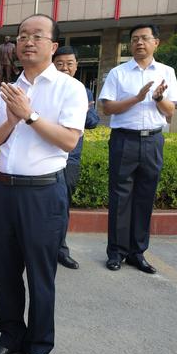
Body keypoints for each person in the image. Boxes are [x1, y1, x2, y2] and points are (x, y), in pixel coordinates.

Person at [0, 14, 87, 354]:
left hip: (43, 193)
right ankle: (11, 337)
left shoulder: (69, 88)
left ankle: (39, 347)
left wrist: (29, 115)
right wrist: (11, 119)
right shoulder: (8, 88)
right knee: (5, 271)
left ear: (53, 46)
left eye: (37, 36)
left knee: (41, 275)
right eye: (23, 35)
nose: (28, 41)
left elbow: (70, 140)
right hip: (5, 190)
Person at [98, 24, 177, 274]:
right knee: (120, 197)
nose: (139, 43)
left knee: (145, 197)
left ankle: (137, 253)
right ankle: (116, 252)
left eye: (144, 38)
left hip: (153, 141)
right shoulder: (118, 73)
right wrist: (136, 97)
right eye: (134, 39)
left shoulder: (167, 72)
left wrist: (157, 98)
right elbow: (107, 108)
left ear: (156, 42)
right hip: (125, 139)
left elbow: (170, 112)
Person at [53, 46, 100, 269]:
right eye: (60, 63)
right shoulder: (47, 88)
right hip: (47, 156)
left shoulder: (83, 91)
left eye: (69, 63)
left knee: (63, 205)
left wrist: (78, 112)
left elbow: (92, 121)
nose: (65, 68)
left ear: (76, 65)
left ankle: (60, 249)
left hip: (71, 158)